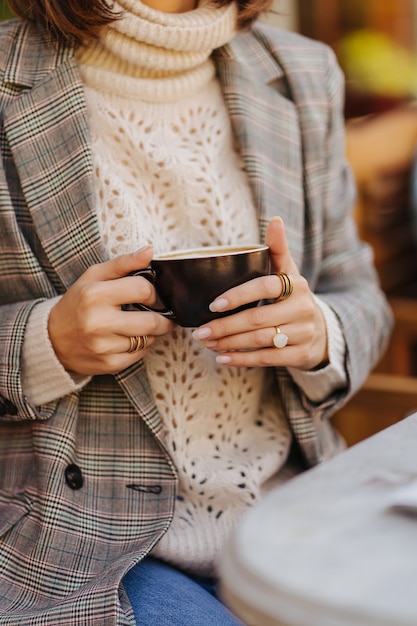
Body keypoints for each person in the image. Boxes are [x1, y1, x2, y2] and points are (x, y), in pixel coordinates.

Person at [0, 0, 392, 624]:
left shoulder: (302, 72)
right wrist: (44, 342)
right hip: (85, 543)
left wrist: (321, 331)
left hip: (294, 511)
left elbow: (361, 296)